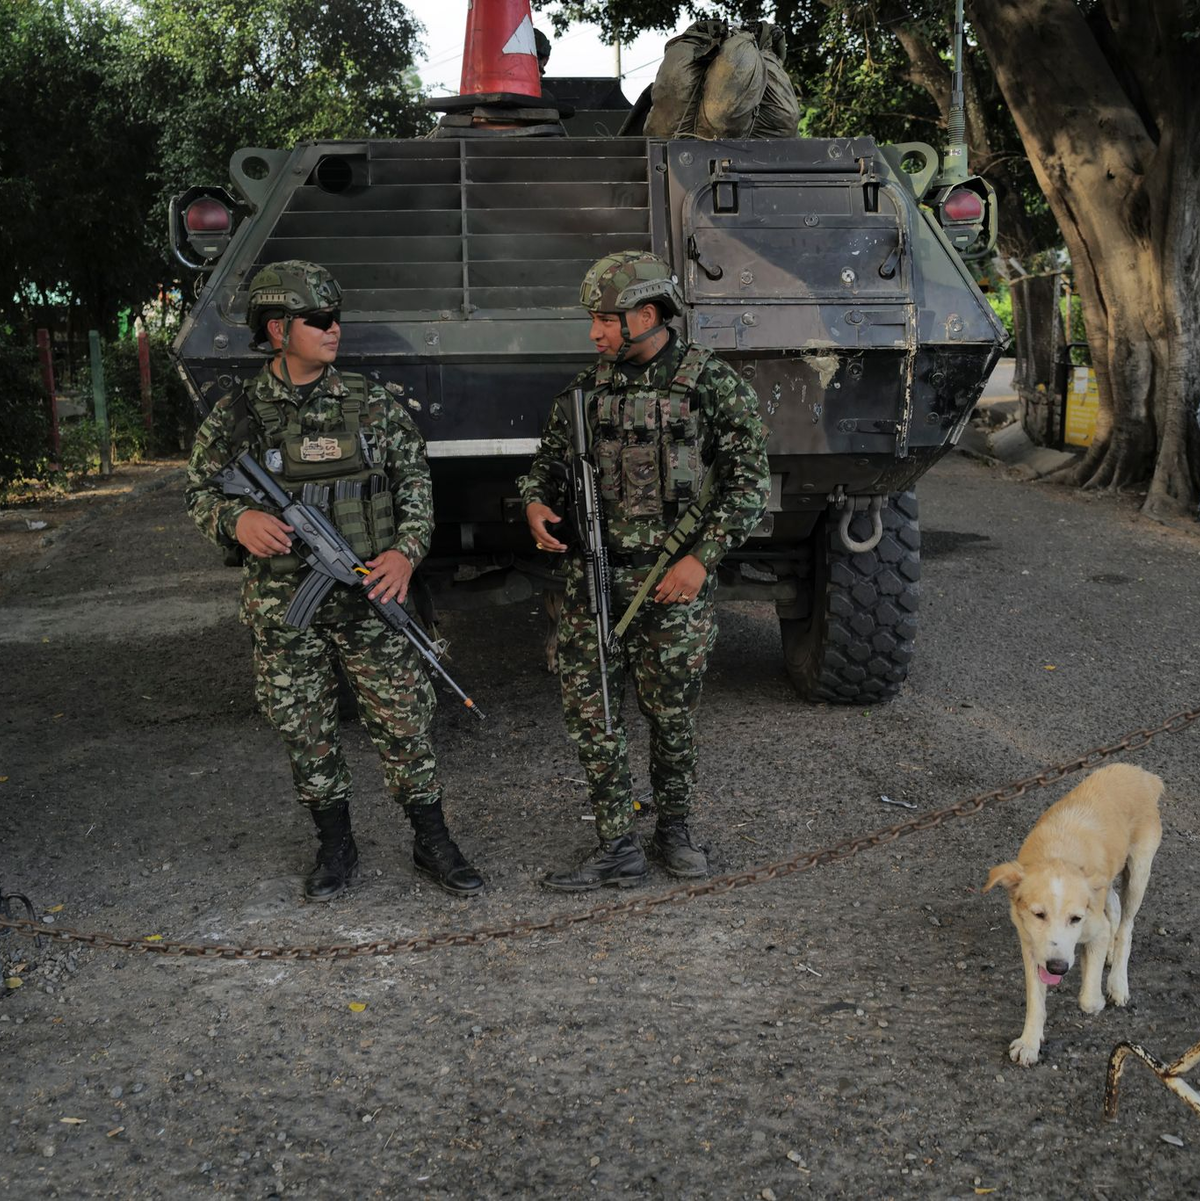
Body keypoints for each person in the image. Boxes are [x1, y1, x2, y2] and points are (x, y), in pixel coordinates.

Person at [185, 260, 483, 903]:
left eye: (335, 317)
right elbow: (200, 492)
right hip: (282, 606)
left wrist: (405, 553)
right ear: (277, 328)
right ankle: (335, 845)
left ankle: (433, 841)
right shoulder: (238, 413)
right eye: (318, 319)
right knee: (306, 731)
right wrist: (237, 521)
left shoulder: (371, 402)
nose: (334, 329)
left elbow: (415, 485)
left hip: (372, 598)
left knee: (405, 722)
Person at [519, 250, 770, 891]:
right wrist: (535, 503)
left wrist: (699, 560)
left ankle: (675, 831)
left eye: (606, 320)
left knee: (672, 718)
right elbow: (545, 463)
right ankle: (616, 845)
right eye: (594, 320)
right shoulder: (584, 392)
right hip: (593, 582)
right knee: (595, 716)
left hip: (672, 585)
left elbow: (748, 485)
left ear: (649, 315)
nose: (595, 333)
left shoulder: (711, 386)